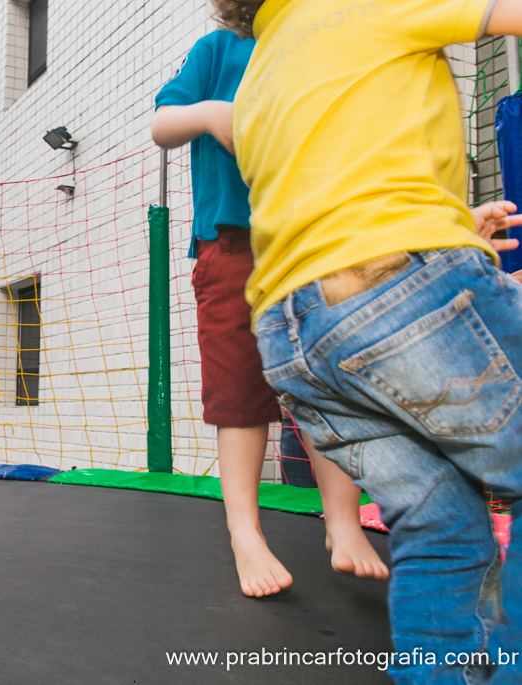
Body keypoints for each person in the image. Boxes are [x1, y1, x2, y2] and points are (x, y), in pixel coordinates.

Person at [220, 0, 522, 679]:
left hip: (295, 337)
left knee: (440, 526)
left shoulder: (262, 72)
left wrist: (453, 225)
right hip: (393, 285)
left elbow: (336, 193)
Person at [151, 28, 387, 600]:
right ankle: (244, 533)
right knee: (240, 396)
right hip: (233, 244)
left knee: (329, 385)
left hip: (312, 242)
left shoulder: (312, 45)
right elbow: (163, 126)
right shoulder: (219, 49)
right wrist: (210, 114)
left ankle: (343, 521)